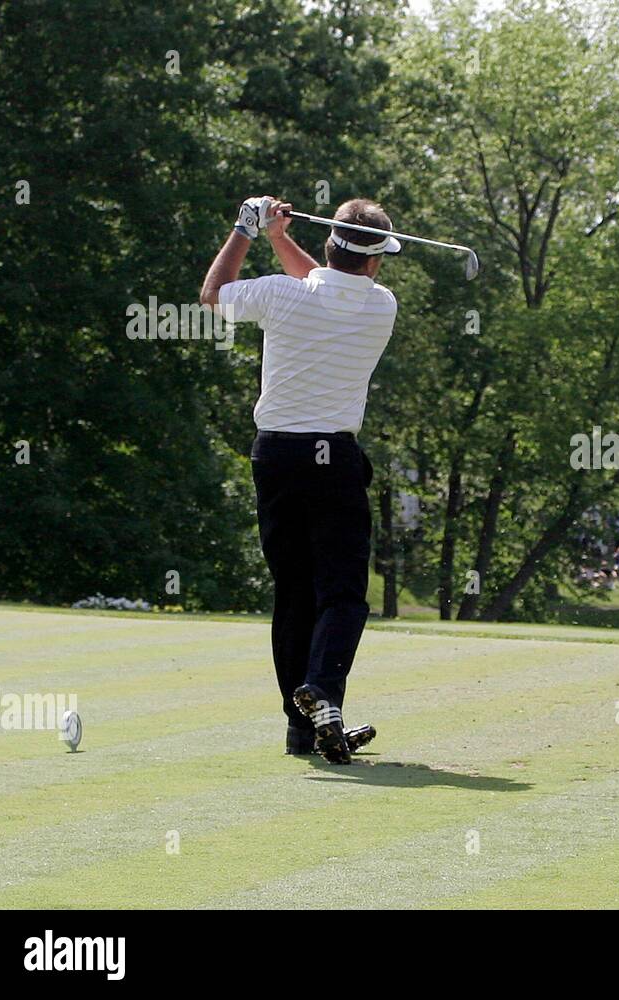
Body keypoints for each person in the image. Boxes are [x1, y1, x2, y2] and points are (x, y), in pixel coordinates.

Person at [201, 195, 393, 764]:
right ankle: (324, 695)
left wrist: (248, 230)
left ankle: (303, 730)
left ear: (330, 243)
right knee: (342, 595)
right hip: (332, 459)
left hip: (276, 458)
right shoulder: (382, 305)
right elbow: (327, 285)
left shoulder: (281, 294)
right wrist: (281, 237)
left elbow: (213, 296)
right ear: (376, 261)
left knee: (294, 595)